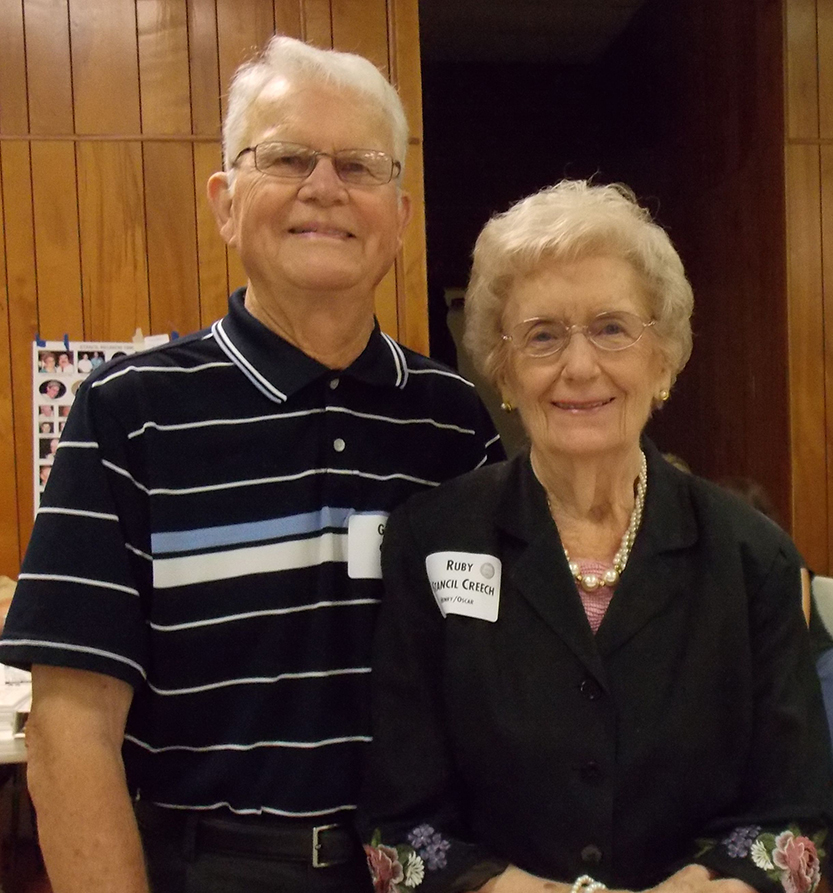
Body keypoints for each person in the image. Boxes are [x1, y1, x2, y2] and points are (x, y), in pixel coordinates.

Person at [0, 35, 501, 893]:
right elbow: (69, 731)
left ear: (402, 217)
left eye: (359, 164)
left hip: (434, 872)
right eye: (287, 156)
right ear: (225, 202)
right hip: (209, 870)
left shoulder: (452, 423)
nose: (324, 186)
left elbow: (501, 689)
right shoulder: (128, 413)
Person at [359, 181, 832, 893]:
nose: (579, 367)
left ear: (663, 358)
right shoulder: (429, 542)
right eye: (543, 335)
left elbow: (794, 814)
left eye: (611, 328)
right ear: (504, 367)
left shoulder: (753, 556)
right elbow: (400, 823)